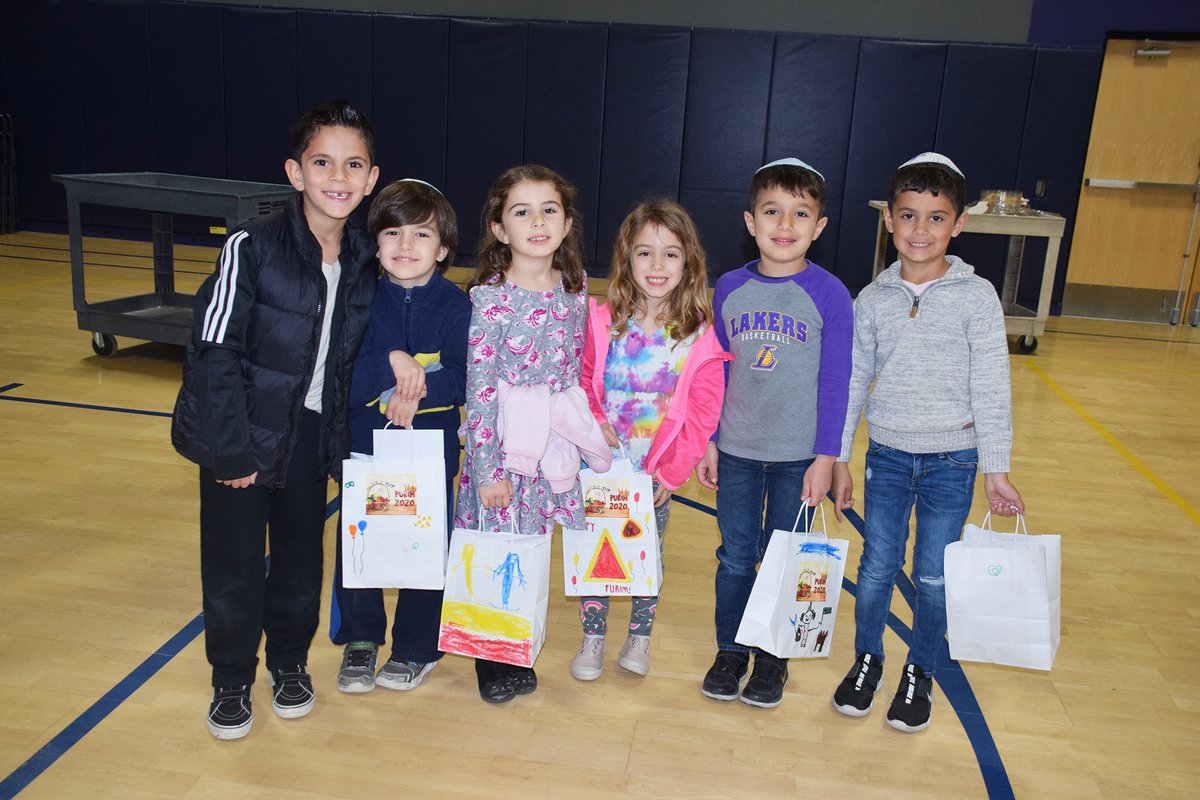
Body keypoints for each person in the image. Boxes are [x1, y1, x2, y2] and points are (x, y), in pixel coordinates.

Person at [171, 100, 380, 740]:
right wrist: (232, 453)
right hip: (241, 437)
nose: (337, 177)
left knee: (298, 561)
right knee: (233, 565)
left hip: (311, 437)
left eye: (353, 164)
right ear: (295, 172)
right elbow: (213, 352)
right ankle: (231, 679)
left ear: (371, 179)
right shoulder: (250, 248)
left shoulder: (368, 260)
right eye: (322, 162)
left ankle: (290, 664)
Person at [829, 152, 1024, 733]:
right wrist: (839, 457)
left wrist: (996, 468)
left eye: (935, 218)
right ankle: (868, 659)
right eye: (908, 216)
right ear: (888, 219)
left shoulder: (977, 296)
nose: (920, 231)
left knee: (935, 574)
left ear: (958, 224)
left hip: (953, 461)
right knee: (877, 566)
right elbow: (851, 383)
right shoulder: (871, 299)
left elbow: (992, 385)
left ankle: (921, 670)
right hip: (887, 456)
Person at [696, 157, 853, 709]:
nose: (784, 224)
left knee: (788, 560)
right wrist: (709, 439)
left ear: (819, 227)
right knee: (736, 557)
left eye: (800, 213)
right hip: (736, 452)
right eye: (772, 211)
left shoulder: (831, 294)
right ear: (749, 220)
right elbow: (712, 371)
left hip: (797, 458)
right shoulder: (729, 289)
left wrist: (826, 457)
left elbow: (837, 380)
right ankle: (732, 650)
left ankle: (773, 659)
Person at [454, 164, 610, 704]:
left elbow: (571, 372)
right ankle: (487, 657)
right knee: (497, 549)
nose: (537, 221)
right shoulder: (490, 298)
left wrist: (585, 432)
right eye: (521, 211)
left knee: (532, 551)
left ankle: (517, 645)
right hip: (503, 453)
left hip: (548, 453)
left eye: (549, 210)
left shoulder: (575, 288)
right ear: (500, 229)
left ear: (567, 224)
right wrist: (488, 469)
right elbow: (480, 390)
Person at [570, 200, 732, 681]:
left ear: (689, 263)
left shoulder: (698, 334)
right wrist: (593, 427)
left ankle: (639, 637)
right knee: (594, 550)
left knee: (646, 554)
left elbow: (703, 410)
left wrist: (672, 470)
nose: (657, 267)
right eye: (645, 253)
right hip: (601, 467)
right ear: (626, 259)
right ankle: (593, 636)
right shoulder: (602, 320)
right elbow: (582, 381)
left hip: (653, 473)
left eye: (670, 255)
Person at [329, 178, 470, 695]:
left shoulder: (458, 307)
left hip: (431, 451)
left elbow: (463, 377)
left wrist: (418, 386)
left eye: (422, 235)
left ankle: (416, 645)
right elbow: (340, 371)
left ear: (444, 248)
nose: (406, 247)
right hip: (365, 446)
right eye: (393, 233)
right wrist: (390, 365)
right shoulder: (357, 299)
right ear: (375, 242)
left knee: (428, 546)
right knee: (359, 540)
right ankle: (361, 639)